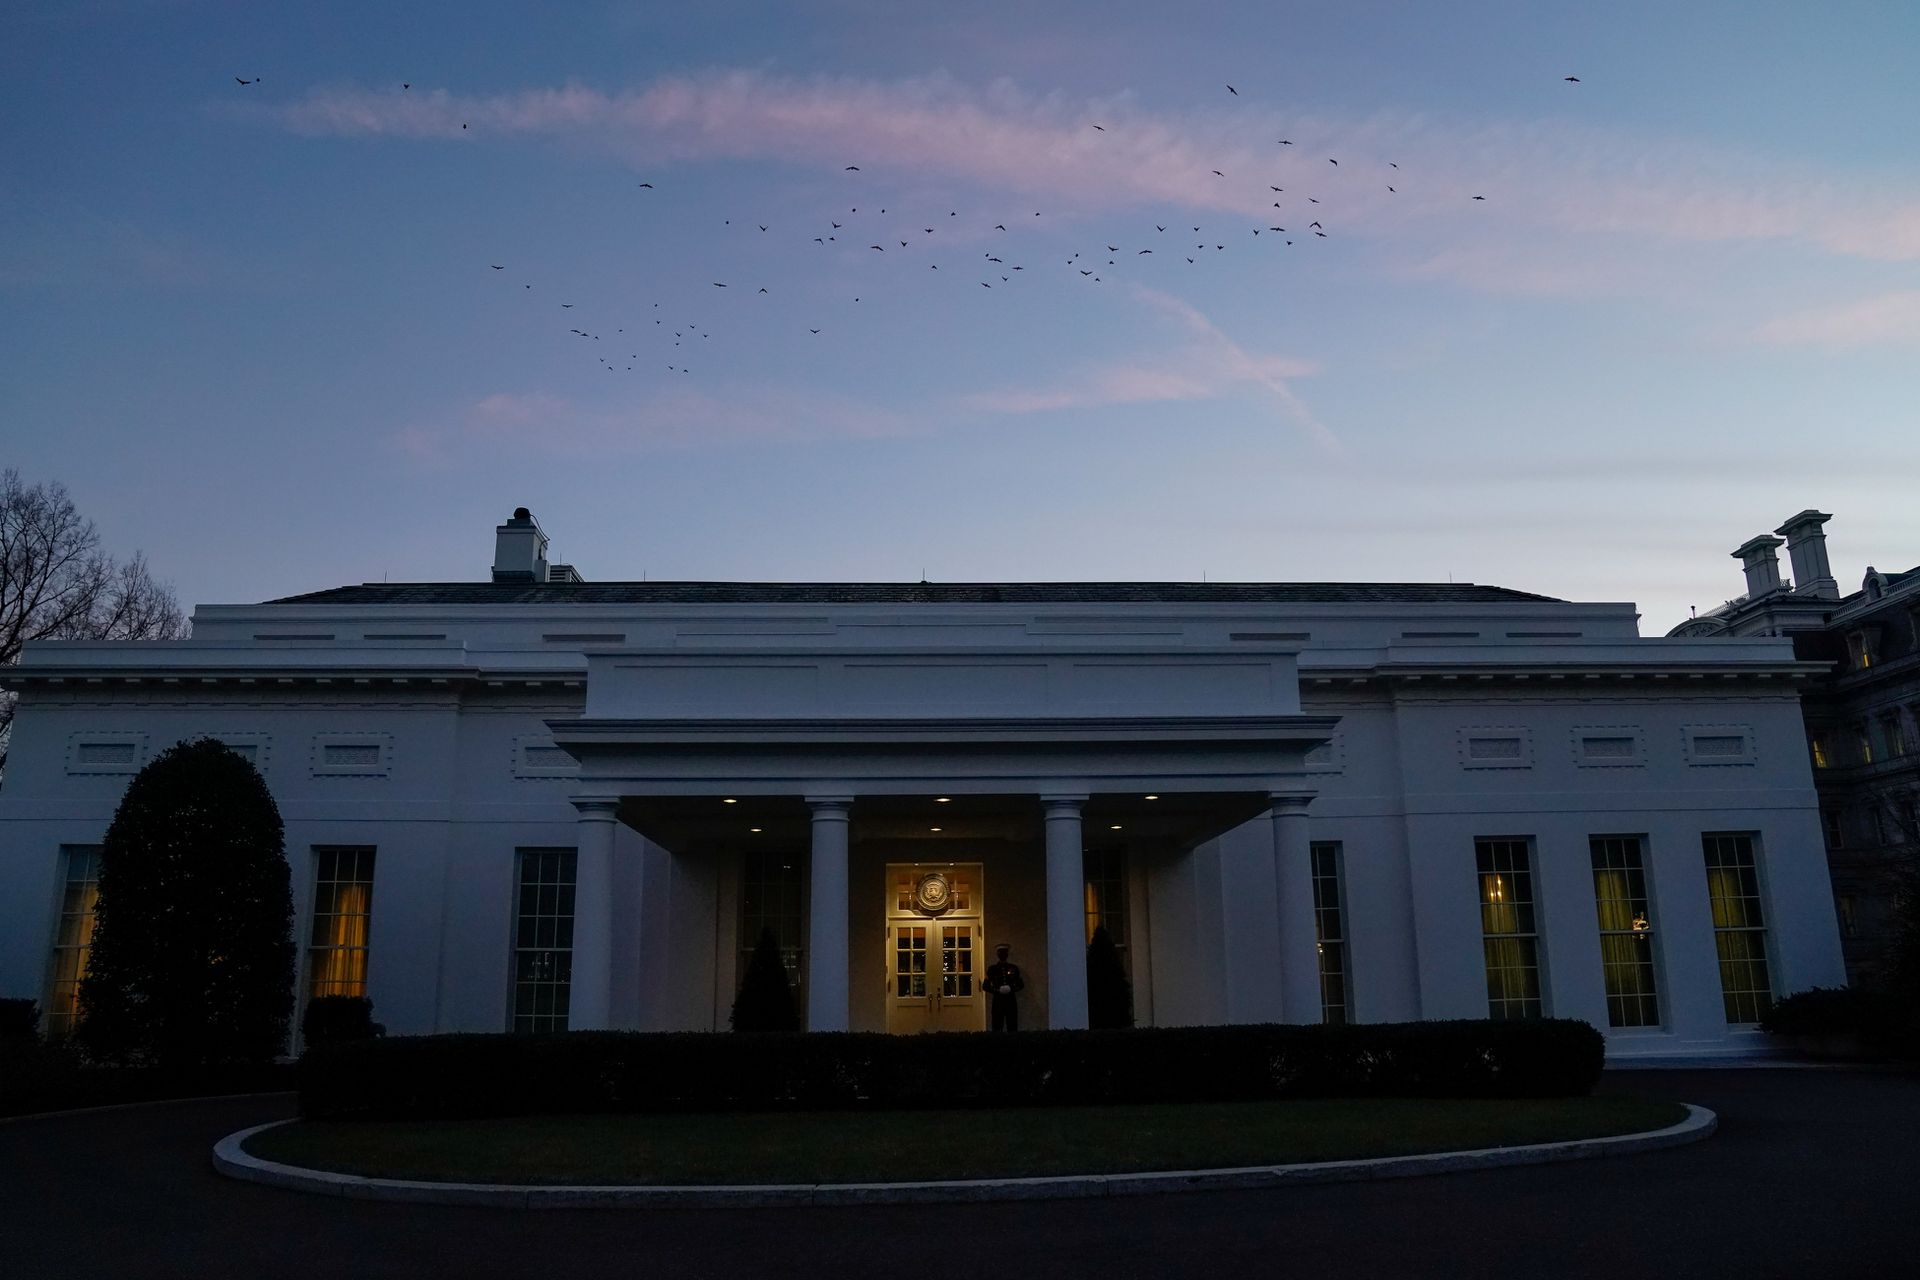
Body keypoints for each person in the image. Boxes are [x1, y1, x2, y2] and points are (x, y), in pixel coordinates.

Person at [986, 943, 1024, 1032]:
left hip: (1010, 1000)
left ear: (1007, 954)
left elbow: (1020, 984)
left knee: (1012, 1026)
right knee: (997, 1026)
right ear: (997, 954)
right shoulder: (992, 969)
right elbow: (986, 986)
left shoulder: (1013, 968)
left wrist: (1011, 989)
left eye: (1004, 952)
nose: (1002, 954)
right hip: (998, 1001)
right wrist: (998, 990)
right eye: (1000, 952)